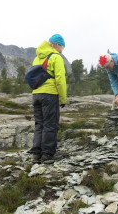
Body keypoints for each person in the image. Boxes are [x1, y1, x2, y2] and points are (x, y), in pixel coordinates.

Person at [29, 34, 67, 163]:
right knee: (50, 124)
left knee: (39, 124)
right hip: (50, 95)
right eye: (62, 47)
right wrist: (63, 99)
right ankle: (48, 154)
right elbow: (60, 80)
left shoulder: (36, 58)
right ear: (56, 45)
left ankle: (36, 155)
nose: (62, 50)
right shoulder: (56, 57)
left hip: (36, 95)